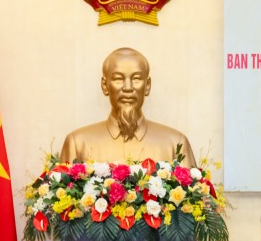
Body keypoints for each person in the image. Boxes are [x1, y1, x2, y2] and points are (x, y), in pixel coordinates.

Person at [60, 47, 193, 163]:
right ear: (104, 86)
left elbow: (193, 190)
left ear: (147, 86)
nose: (128, 88)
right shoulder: (77, 144)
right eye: (118, 79)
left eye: (136, 79)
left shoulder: (175, 144)